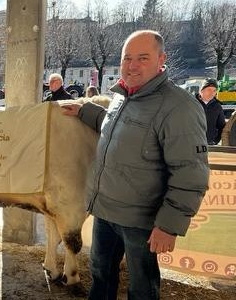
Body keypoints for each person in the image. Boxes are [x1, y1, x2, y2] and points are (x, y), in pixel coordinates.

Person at [62, 30, 209, 299]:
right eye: (127, 58)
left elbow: (191, 173)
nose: (132, 65)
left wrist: (168, 225)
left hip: (142, 220)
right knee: (100, 272)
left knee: (141, 286)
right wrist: (85, 111)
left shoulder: (179, 107)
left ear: (161, 59)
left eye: (142, 58)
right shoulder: (123, 96)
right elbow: (116, 126)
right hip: (106, 211)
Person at [195, 78, 226, 145]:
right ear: (201, 90)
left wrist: (215, 140)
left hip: (210, 144)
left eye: (214, 90)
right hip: (193, 143)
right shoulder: (192, 104)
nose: (212, 93)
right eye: (209, 90)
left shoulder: (217, 106)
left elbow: (222, 126)